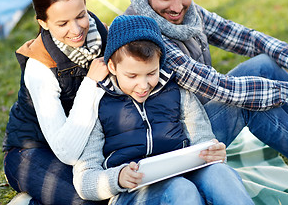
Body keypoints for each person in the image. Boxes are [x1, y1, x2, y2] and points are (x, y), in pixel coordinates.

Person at [124, 0, 288, 168]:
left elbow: (243, 37)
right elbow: (223, 89)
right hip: (178, 143)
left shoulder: (190, 14)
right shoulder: (142, 35)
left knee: (264, 64)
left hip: (201, 114)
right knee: (249, 103)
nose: (176, 7)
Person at [73, 15, 254, 204]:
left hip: (185, 174)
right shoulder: (98, 103)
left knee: (220, 173)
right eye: (132, 76)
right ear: (112, 66)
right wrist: (117, 178)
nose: (143, 85)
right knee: (180, 189)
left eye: (151, 73)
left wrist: (212, 154)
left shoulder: (176, 91)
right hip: (133, 194)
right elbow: (84, 180)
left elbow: (202, 139)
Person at [3, 0, 110, 205]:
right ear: (43, 23)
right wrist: (91, 83)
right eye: (62, 24)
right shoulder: (39, 67)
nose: (76, 30)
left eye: (81, 16)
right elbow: (67, 151)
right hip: (32, 152)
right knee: (87, 201)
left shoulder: (103, 36)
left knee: (113, 191)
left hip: (89, 144)